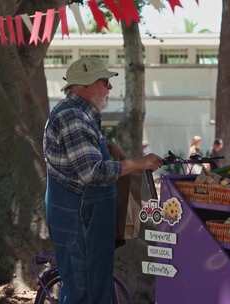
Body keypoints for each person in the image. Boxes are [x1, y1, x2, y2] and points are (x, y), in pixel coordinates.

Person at [43, 57, 162, 304]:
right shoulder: (72, 117)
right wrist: (139, 163)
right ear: (85, 85)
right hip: (77, 216)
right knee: (83, 289)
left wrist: (107, 146)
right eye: (104, 82)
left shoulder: (84, 114)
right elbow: (92, 173)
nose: (109, 87)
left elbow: (84, 151)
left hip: (89, 216)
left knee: (97, 286)